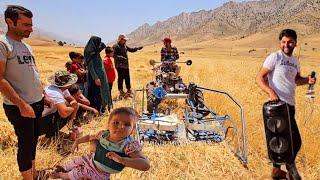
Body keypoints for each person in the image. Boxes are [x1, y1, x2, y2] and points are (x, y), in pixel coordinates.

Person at [256, 29, 316, 180]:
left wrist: (307, 80)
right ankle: (291, 171)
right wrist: (271, 93)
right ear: (280, 43)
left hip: (290, 105)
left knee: (283, 139)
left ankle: (276, 171)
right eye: (283, 42)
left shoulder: (295, 61)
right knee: (292, 140)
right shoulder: (274, 57)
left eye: (290, 42)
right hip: (277, 107)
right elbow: (259, 78)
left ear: (295, 43)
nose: (286, 45)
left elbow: (296, 80)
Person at [0, 5, 49, 179]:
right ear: (10, 22)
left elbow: (32, 74)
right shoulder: (3, 44)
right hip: (19, 106)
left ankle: (33, 173)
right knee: (25, 143)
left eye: (31, 24)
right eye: (26, 25)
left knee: (33, 140)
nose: (31, 28)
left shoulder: (27, 47)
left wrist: (44, 95)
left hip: (36, 103)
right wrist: (21, 105)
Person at [50, 107, 150, 179]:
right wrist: (78, 141)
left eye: (127, 124)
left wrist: (122, 160)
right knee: (75, 161)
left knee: (76, 174)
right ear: (108, 125)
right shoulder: (103, 134)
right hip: (91, 159)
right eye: (116, 122)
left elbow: (145, 165)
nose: (121, 127)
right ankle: (63, 168)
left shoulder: (128, 146)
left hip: (99, 174)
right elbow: (90, 137)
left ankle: (60, 175)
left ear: (132, 130)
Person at [38, 70, 79, 141]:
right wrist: (73, 108)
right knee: (63, 113)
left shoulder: (61, 88)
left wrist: (74, 109)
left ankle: (69, 130)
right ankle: (46, 139)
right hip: (37, 123)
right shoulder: (55, 93)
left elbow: (73, 101)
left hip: (42, 118)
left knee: (66, 109)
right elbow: (64, 113)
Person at [84, 36, 112, 113]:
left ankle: (102, 107)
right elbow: (90, 66)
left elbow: (103, 45)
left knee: (102, 91)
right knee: (97, 93)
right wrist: (96, 78)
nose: (99, 44)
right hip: (95, 77)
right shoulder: (88, 52)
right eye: (98, 43)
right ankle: (97, 109)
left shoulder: (94, 50)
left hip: (100, 75)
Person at [113, 34, 143, 98]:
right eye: (124, 40)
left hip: (126, 65)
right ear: (121, 40)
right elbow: (113, 55)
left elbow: (131, 49)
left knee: (127, 77)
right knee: (120, 78)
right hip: (119, 66)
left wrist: (137, 48)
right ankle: (121, 91)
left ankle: (128, 90)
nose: (125, 41)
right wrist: (121, 57)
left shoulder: (125, 46)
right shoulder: (115, 46)